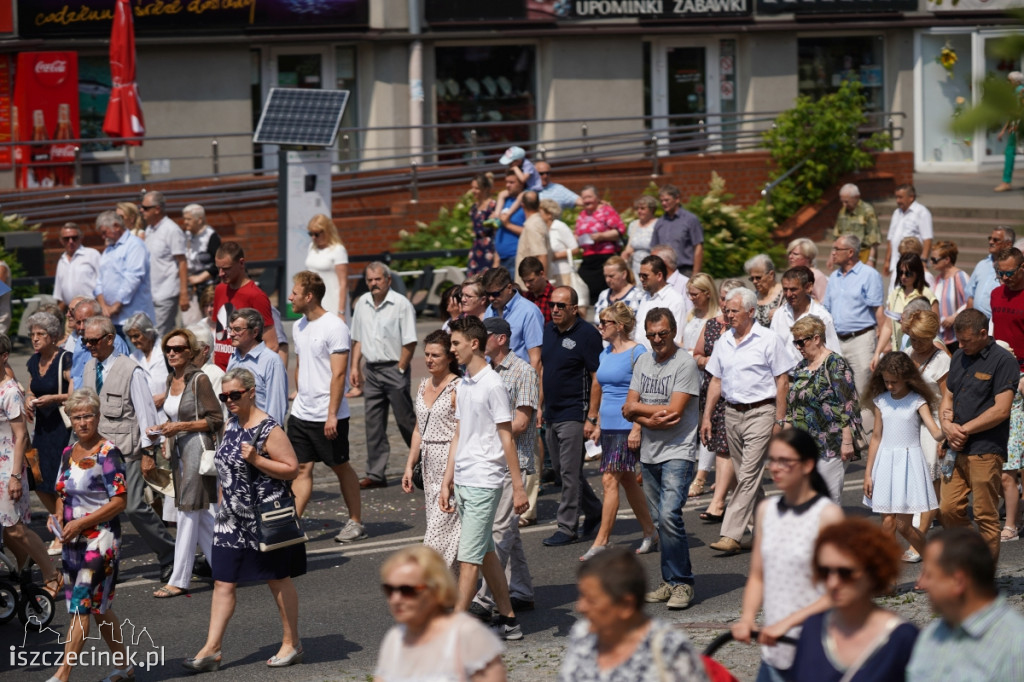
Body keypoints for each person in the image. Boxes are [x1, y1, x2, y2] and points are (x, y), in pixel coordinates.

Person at [183, 367, 306, 672]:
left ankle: (292, 643)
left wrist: (257, 459)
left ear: (251, 392)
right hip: (230, 519)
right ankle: (212, 649)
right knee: (223, 581)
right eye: (225, 396)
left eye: (234, 395)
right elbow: (225, 471)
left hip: (263, 518)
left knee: (277, 578)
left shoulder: (269, 429)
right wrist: (222, 504)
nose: (229, 400)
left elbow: (292, 469)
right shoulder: (230, 424)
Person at [440, 317, 529, 641]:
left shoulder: (492, 384)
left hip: (484, 481)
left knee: (469, 559)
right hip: (464, 479)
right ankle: (509, 621)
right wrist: (447, 479)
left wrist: (518, 488)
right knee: (486, 552)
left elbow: (507, 438)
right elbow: (459, 433)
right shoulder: (464, 383)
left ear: (474, 344)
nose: (452, 349)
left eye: (455, 343)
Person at [732, 429, 844, 682]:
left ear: (807, 465)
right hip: (774, 654)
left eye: (785, 461)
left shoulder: (827, 515)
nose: (775, 468)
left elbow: (839, 591)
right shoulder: (766, 510)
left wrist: (788, 624)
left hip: (816, 653)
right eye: (772, 460)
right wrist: (747, 618)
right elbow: (758, 576)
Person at [81, 315, 174, 583]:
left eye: (94, 340)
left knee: (133, 507)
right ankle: (105, 564)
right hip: (99, 452)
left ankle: (169, 553)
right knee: (101, 510)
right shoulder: (89, 368)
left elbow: (146, 414)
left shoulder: (130, 370)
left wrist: (147, 454)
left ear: (110, 339)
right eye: (85, 341)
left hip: (128, 450)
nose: (89, 345)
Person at [703, 287, 795, 555]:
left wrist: (780, 420)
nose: (728, 315)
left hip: (761, 412)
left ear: (751, 312)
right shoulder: (724, 341)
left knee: (748, 475)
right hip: (732, 413)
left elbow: (783, 381)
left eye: (733, 311)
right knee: (748, 478)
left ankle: (730, 533)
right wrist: (707, 416)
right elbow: (715, 381)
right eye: (726, 310)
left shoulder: (768, 339)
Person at [47, 388, 130, 682]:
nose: (83, 422)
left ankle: (62, 675)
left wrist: (81, 524)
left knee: (81, 604)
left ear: (97, 417)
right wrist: (57, 517)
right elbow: (62, 492)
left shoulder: (108, 453)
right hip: (73, 540)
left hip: (101, 540)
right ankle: (124, 665)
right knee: (99, 608)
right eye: (77, 417)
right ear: (70, 419)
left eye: (88, 416)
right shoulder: (69, 452)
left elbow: (120, 501)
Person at [624, 307, 701, 609]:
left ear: (673, 332)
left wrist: (640, 412)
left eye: (663, 333)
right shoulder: (643, 360)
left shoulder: (685, 363)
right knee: (660, 521)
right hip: (650, 451)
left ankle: (683, 583)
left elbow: (674, 411)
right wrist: (648, 419)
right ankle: (669, 581)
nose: (657, 339)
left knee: (670, 515)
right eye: (652, 334)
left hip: (678, 450)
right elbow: (629, 404)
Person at [789, 518, 919, 682]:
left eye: (845, 573)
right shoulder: (813, 627)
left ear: (875, 571)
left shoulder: (902, 638)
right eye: (824, 571)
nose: (833, 582)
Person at [287, 272, 364, 543]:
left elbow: (339, 375)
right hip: (301, 412)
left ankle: (355, 521)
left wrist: (332, 414)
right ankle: (291, 526)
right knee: (301, 469)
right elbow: (301, 362)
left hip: (327, 414)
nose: (290, 298)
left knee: (340, 465)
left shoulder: (335, 326)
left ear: (309, 296)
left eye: (294, 293)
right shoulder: (298, 326)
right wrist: (297, 392)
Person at [147, 328, 223, 599]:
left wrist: (182, 426)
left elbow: (216, 419)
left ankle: (179, 579)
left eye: (178, 349)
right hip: (180, 450)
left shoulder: (198, 379)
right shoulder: (172, 379)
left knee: (187, 513)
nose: (172, 353)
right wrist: (162, 429)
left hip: (198, 449)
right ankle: (228, 568)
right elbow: (174, 415)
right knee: (201, 515)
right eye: (168, 349)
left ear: (190, 352)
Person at [471, 317, 538, 617]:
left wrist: (485, 426)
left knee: (498, 530)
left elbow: (521, 423)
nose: (476, 342)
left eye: (482, 337)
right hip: (490, 461)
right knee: (508, 530)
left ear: (500, 339)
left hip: (515, 462)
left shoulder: (522, 371)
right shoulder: (483, 373)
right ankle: (521, 590)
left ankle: (484, 599)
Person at [559, 548, 709, 682]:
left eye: (591, 600)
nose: (580, 607)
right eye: (581, 596)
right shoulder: (583, 634)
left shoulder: (668, 648)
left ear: (626, 605)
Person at [580, 302, 656, 561]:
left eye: (605, 322)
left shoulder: (638, 352)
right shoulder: (605, 354)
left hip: (627, 425)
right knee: (625, 480)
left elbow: (644, 391)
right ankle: (650, 531)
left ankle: (601, 542)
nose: (600, 326)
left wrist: (637, 426)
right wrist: (598, 422)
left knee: (609, 480)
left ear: (619, 326)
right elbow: (601, 390)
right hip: (610, 425)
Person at [941, 309, 1018, 559]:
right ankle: (974, 557)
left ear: (983, 333)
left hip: (985, 448)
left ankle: (984, 580)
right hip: (955, 447)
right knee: (948, 509)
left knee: (985, 514)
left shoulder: (1003, 361)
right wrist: (947, 425)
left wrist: (964, 429)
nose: (960, 345)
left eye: (966, 341)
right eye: (958, 340)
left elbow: (1002, 409)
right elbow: (948, 396)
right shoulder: (959, 356)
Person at [375, 546, 506, 682]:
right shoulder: (396, 638)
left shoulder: (468, 636)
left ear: (437, 589)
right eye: (389, 590)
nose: (395, 599)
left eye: (407, 590)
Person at [907, 528, 1024, 681]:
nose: (920, 583)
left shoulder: (1015, 647)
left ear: (958, 581)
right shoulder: (932, 634)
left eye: (928, 575)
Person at [860, 352, 942, 560]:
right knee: (888, 523)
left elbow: (935, 431)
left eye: (894, 382)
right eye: (886, 381)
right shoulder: (881, 401)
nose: (889, 386)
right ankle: (888, 578)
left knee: (904, 526)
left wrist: (948, 426)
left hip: (908, 464)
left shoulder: (917, 401)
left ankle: (934, 565)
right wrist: (868, 474)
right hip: (885, 464)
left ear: (907, 378)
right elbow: (876, 437)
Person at [540, 287, 604, 547]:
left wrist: (591, 416)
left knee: (568, 471)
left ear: (574, 309)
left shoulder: (587, 335)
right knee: (561, 469)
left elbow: (596, 377)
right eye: (553, 305)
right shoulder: (548, 330)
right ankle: (595, 509)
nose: (555, 310)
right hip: (552, 413)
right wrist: (539, 406)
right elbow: (545, 369)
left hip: (574, 413)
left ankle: (567, 527)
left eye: (561, 306)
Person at [0, 333, 62, 601]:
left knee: (15, 527)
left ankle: (52, 575)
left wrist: (15, 476)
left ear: (3, 356)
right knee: (6, 528)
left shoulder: (10, 391)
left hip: (9, 467)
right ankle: (25, 571)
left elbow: (21, 435)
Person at [350, 262, 418, 488]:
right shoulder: (362, 304)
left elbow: (410, 341)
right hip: (372, 369)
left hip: (394, 368)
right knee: (373, 423)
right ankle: (376, 473)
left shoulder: (401, 304)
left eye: (378, 279)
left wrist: (400, 368)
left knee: (405, 420)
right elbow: (358, 338)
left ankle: (424, 464)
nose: (373, 284)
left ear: (388, 280)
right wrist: (354, 367)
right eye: (370, 280)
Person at [401, 330, 462, 569]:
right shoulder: (423, 385)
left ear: (449, 357)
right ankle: (456, 594)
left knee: (437, 534)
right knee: (445, 532)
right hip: (428, 467)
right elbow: (418, 429)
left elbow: (461, 434)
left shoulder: (457, 387)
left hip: (451, 463)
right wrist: (409, 466)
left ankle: (431, 587)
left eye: (435, 355)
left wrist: (451, 477)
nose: (429, 359)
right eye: (426, 354)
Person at [785, 316, 862, 502]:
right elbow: (792, 407)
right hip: (804, 445)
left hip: (830, 444)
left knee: (826, 499)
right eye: (795, 342)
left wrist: (846, 441)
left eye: (801, 342)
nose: (798, 347)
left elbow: (848, 405)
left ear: (817, 338)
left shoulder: (835, 363)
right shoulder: (801, 367)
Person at [823, 234, 885, 436]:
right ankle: (847, 437)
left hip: (861, 338)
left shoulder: (869, 274)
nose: (832, 252)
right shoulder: (834, 277)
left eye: (836, 249)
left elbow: (878, 309)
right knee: (839, 391)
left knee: (864, 390)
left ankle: (871, 438)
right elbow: (827, 310)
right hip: (837, 340)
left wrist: (881, 346)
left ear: (850, 252)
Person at [692, 279, 743, 520]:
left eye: (729, 300)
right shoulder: (711, 325)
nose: (724, 304)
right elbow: (697, 354)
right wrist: (708, 362)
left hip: (736, 394)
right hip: (713, 390)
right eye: (722, 299)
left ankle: (719, 502)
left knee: (727, 448)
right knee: (719, 445)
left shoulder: (746, 329)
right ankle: (731, 500)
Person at [902, 310, 951, 558]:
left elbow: (947, 399)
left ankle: (917, 543)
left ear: (931, 336)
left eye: (920, 339)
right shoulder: (908, 354)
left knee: (929, 484)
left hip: (933, 422)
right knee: (913, 482)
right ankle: (947, 528)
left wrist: (943, 435)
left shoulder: (942, 359)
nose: (915, 343)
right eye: (912, 337)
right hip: (910, 420)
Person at [23, 311, 71, 554]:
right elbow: (32, 388)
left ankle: (60, 533)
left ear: (53, 336)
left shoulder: (65, 359)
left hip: (61, 427)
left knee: (58, 482)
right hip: (41, 426)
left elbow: (76, 393)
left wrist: (54, 398)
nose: (35, 338)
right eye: (32, 334)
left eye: (40, 334)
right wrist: (30, 400)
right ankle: (60, 522)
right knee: (40, 480)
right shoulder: (34, 361)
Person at [989, 246, 1024, 543]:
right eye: (1000, 272)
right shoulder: (996, 294)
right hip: (1001, 376)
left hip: (1023, 376)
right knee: (1006, 457)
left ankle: (1015, 518)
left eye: (1010, 272)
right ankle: (1011, 519)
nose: (1004, 278)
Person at [212, 241, 278, 369]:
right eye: (218, 268)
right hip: (219, 371)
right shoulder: (220, 290)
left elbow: (272, 344)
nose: (220, 273)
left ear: (241, 263)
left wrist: (249, 371)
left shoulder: (256, 295)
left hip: (242, 376)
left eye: (226, 268)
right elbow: (217, 333)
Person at [93, 209, 156, 334]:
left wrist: (116, 305)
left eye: (104, 232)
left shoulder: (135, 245)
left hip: (133, 318)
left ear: (116, 226)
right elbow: (99, 280)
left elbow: (133, 278)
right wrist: (104, 307)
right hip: (112, 319)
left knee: (135, 353)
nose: (103, 237)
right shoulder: (108, 250)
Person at [872, 253, 938, 367]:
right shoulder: (895, 294)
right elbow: (888, 326)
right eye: (900, 272)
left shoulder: (927, 294)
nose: (903, 276)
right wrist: (877, 352)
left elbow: (934, 327)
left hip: (920, 354)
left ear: (917, 273)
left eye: (908, 273)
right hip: (899, 352)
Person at [226, 308, 288, 426]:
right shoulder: (233, 358)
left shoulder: (272, 361)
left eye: (237, 329)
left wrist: (263, 439)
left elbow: (276, 409)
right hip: (236, 431)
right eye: (231, 329)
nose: (232, 334)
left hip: (260, 435)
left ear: (255, 332)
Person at [140, 190, 189, 336]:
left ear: (157, 209)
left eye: (145, 208)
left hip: (166, 292)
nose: (142, 210)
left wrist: (184, 293)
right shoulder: (149, 229)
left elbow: (182, 262)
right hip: (150, 294)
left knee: (159, 336)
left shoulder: (172, 230)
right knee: (150, 336)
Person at [770, 266, 842, 360]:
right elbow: (771, 347)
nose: (788, 294)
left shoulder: (821, 316)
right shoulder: (780, 314)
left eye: (793, 289)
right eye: (785, 289)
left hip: (810, 373)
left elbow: (834, 353)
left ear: (808, 287)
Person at [482, 266, 544, 369]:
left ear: (509, 288)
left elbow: (535, 360)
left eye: (496, 294)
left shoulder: (529, 311)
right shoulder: (490, 309)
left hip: (519, 380)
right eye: (487, 294)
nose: (491, 298)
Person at [67, 298, 132, 392]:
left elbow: (118, 383)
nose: (81, 327)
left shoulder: (113, 343)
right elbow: (74, 379)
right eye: (78, 322)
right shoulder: (79, 342)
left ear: (100, 317)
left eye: (86, 321)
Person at [575, 185, 626, 301]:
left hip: (605, 256)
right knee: (583, 284)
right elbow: (577, 233)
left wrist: (602, 236)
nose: (587, 200)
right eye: (584, 198)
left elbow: (620, 230)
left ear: (597, 197)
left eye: (589, 197)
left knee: (603, 287)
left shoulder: (606, 210)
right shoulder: (582, 214)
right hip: (588, 257)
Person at [633, 255, 686, 350]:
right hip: (640, 358)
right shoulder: (645, 296)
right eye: (640, 275)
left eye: (645, 276)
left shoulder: (675, 300)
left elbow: (675, 338)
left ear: (659, 276)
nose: (641, 279)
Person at [181, 203, 221, 326]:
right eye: (184, 218)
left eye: (189, 219)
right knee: (191, 324)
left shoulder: (211, 236)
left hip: (207, 286)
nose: (185, 222)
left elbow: (218, 263)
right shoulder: (186, 235)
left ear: (199, 220)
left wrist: (199, 278)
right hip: (190, 287)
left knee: (208, 322)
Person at [303, 214, 349, 320]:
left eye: (316, 234)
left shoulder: (338, 250)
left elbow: (343, 283)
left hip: (331, 303)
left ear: (327, 231)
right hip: (312, 303)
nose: (313, 237)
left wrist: (341, 311)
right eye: (311, 234)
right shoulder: (312, 247)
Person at [651, 184, 703, 276]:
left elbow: (698, 247)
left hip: (685, 271)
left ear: (677, 199)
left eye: (667, 200)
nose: (663, 203)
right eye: (661, 201)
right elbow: (654, 249)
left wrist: (695, 274)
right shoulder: (660, 222)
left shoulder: (690, 219)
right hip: (664, 272)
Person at [884, 184, 933, 278]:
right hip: (896, 263)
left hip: (912, 264)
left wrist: (923, 261)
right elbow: (891, 238)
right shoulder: (896, 213)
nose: (898, 201)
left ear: (911, 197)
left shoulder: (922, 212)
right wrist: (887, 261)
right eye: (896, 197)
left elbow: (927, 239)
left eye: (900, 197)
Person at [966, 226, 1015, 320]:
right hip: (976, 322)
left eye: (996, 240)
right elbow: (970, 296)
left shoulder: (1014, 269)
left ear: (1008, 244)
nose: (991, 242)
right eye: (990, 238)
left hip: (998, 321)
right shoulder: (982, 264)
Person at [124, 312, 168, 415]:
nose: (133, 340)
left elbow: (183, 380)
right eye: (130, 337)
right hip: (146, 415)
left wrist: (164, 396)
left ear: (148, 332)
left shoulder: (167, 351)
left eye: (136, 336)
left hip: (169, 413)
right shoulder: (133, 358)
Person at [929, 240, 968, 352]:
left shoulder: (960, 276)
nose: (932, 263)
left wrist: (954, 317)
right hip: (942, 336)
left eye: (934, 259)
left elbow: (970, 301)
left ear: (947, 260)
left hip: (958, 336)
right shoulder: (938, 279)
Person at [52, 222, 100, 311]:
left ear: (81, 238)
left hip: (91, 309)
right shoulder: (61, 261)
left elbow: (103, 284)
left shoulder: (92, 254)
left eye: (74, 238)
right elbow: (59, 296)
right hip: (71, 312)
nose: (71, 241)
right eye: (67, 239)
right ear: (61, 240)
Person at [832, 183, 880, 267]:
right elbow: (837, 235)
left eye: (846, 201)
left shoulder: (867, 211)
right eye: (842, 201)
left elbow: (874, 239)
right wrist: (832, 256)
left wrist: (871, 259)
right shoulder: (842, 211)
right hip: (845, 256)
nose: (844, 205)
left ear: (856, 197)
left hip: (863, 255)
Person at [539, 198, 581, 292]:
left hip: (564, 273)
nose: (538, 215)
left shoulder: (559, 226)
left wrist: (554, 256)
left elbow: (575, 249)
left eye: (540, 212)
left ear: (549, 214)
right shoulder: (543, 229)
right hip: (550, 273)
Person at [514, 190, 553, 286]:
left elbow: (541, 254)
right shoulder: (536, 223)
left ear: (522, 205)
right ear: (539, 204)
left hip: (533, 287)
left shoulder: (533, 225)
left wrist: (542, 285)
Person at [994, 71, 1024, 192]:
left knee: (1010, 152)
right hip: (1015, 124)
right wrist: (1003, 129)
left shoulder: (1020, 92)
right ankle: (1006, 181)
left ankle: (1006, 182)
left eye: (1009, 80)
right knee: (1010, 151)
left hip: (1017, 125)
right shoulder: (1017, 92)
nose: (1007, 83)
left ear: (1016, 82)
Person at [492, 170, 526, 276]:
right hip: (502, 258)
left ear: (521, 183)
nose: (507, 185)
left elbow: (530, 232)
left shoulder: (525, 204)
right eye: (506, 182)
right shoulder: (506, 200)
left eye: (512, 182)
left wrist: (507, 224)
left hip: (516, 257)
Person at [592, 255, 644, 324]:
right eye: (605, 276)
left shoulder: (638, 295)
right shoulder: (603, 295)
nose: (607, 280)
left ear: (624, 274)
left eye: (611, 276)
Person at [467, 172, 497, 277]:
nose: (473, 191)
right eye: (473, 188)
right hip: (476, 247)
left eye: (477, 188)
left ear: (485, 189)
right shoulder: (474, 207)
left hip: (489, 248)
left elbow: (497, 229)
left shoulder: (493, 205)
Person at [621, 195, 658, 276]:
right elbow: (630, 246)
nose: (639, 211)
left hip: (652, 266)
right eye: (637, 208)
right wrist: (626, 253)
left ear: (652, 209)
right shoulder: (633, 224)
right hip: (635, 267)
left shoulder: (658, 224)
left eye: (642, 208)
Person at [745, 254, 784, 327]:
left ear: (771, 275)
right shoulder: (753, 297)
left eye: (758, 278)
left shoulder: (785, 295)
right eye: (752, 279)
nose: (754, 281)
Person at [785, 238, 828, 302]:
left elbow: (824, 302)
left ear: (808, 257)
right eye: (790, 253)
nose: (790, 257)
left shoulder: (816, 276)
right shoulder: (790, 274)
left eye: (795, 254)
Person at [519, 256, 554, 323]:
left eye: (531, 280)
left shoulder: (555, 297)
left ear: (542, 274)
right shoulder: (524, 298)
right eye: (524, 281)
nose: (527, 285)